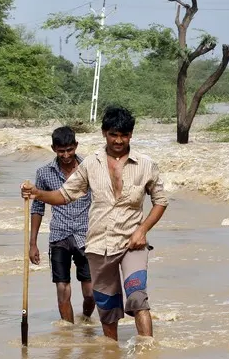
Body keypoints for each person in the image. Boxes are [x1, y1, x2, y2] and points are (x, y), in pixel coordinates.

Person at [21, 106, 169, 342]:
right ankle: (112, 358)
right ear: (104, 133)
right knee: (107, 308)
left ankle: (146, 358)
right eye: (113, 135)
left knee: (138, 296)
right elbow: (64, 195)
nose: (119, 141)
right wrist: (37, 193)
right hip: (99, 245)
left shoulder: (146, 164)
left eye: (124, 135)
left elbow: (160, 201)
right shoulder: (91, 164)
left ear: (131, 135)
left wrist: (142, 230)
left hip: (133, 243)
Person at [29, 126, 95, 324]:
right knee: (62, 288)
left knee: (91, 292)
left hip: (87, 237)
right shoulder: (44, 173)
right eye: (61, 151)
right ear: (53, 148)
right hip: (59, 236)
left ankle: (85, 319)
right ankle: (68, 333)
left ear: (76, 146)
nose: (66, 155)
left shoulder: (89, 168)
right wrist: (32, 243)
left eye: (69, 150)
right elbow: (37, 208)